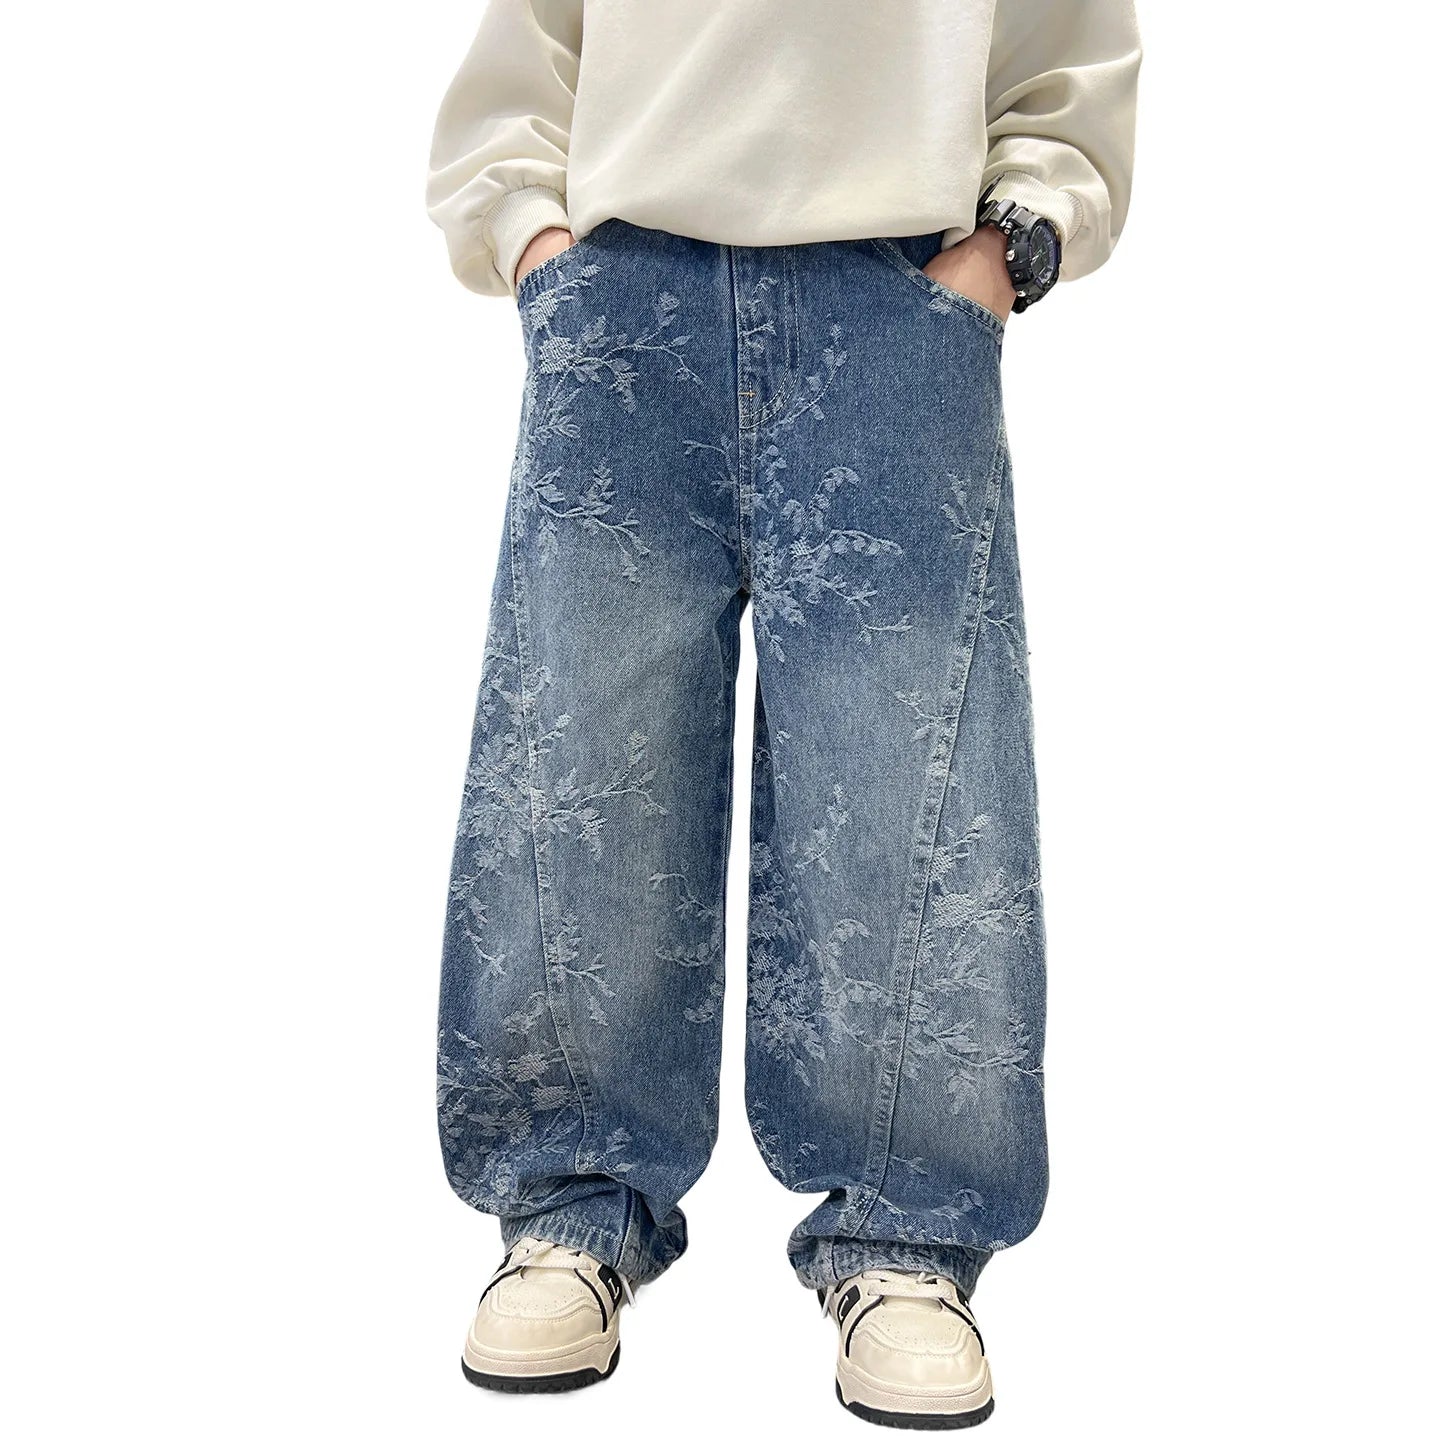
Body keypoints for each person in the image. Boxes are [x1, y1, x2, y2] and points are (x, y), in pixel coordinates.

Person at [426, 1, 1140, 1426]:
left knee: (910, 786)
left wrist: (1007, 251)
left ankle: (907, 1235)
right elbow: (534, 44)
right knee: (581, 765)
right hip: (625, 297)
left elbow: (1065, 47)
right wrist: (538, 244)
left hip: (899, 300)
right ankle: (568, 1207)